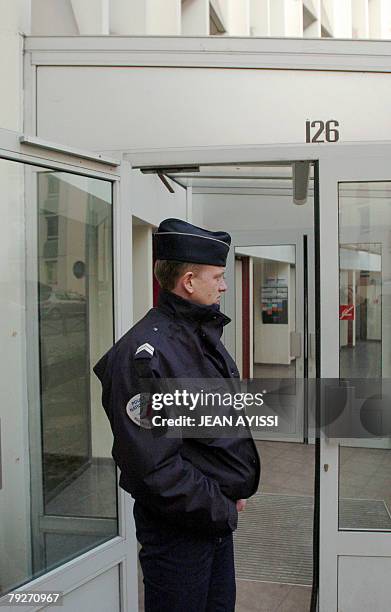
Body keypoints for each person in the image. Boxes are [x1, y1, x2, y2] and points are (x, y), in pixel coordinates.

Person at [94, 218, 261, 612]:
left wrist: (228, 489)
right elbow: (152, 469)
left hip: (210, 522)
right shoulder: (143, 356)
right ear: (188, 281)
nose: (223, 285)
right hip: (179, 533)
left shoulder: (199, 338)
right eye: (218, 277)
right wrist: (220, 504)